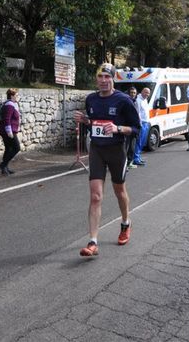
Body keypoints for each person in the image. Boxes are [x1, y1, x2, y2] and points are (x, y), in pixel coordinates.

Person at [73, 63, 140, 257]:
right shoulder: (91, 99)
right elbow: (94, 123)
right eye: (100, 77)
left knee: (119, 190)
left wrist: (118, 128)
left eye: (107, 77)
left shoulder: (124, 100)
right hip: (97, 150)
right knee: (95, 196)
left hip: (117, 150)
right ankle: (93, 241)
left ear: (113, 79)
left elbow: (136, 129)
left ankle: (126, 223)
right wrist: (85, 121)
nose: (103, 80)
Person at [0, 88, 21, 175]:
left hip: (9, 130)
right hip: (8, 131)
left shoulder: (12, 104)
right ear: (12, 96)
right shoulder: (9, 105)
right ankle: (3, 165)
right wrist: (9, 132)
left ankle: (5, 168)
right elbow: (7, 119)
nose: (17, 97)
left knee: (8, 148)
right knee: (16, 148)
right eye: (16, 95)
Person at [133, 87, 151, 166]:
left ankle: (139, 157)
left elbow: (146, 112)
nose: (147, 94)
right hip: (141, 123)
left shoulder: (145, 100)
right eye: (146, 92)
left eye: (148, 93)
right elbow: (138, 113)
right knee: (139, 141)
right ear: (142, 92)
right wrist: (139, 124)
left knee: (143, 142)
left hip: (146, 123)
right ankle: (136, 159)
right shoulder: (138, 100)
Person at [125, 87, 138, 170]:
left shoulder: (134, 101)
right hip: (127, 128)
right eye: (131, 92)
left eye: (134, 93)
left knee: (132, 147)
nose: (133, 94)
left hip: (134, 128)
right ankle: (125, 164)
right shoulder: (127, 102)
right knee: (126, 147)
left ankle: (129, 162)